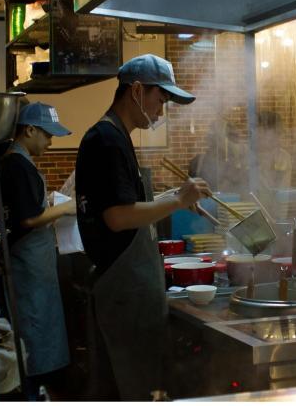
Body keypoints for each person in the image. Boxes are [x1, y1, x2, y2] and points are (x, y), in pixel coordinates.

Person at [75, 54, 212, 401]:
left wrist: (171, 196)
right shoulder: (107, 139)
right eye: (160, 99)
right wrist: (178, 201)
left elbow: (124, 204)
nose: (161, 112)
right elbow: (117, 217)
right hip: (124, 295)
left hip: (129, 295)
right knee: (132, 391)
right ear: (136, 90)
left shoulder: (115, 135)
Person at [0, 101, 75, 400]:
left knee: (36, 336)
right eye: (47, 134)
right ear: (29, 130)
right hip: (27, 271)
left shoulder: (15, 162)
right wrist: (68, 207)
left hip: (32, 269)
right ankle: (32, 395)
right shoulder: (17, 165)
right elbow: (28, 218)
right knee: (32, 339)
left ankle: (34, 391)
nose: (51, 140)